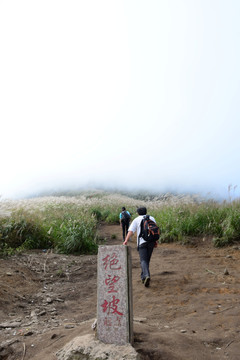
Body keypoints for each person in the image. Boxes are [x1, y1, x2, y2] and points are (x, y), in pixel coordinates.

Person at [123, 207, 157, 287]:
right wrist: (156, 241)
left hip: (142, 243)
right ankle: (143, 277)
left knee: (143, 260)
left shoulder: (136, 219)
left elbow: (131, 231)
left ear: (138, 213)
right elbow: (154, 231)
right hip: (151, 242)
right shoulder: (151, 218)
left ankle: (146, 275)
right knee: (146, 260)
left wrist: (126, 240)